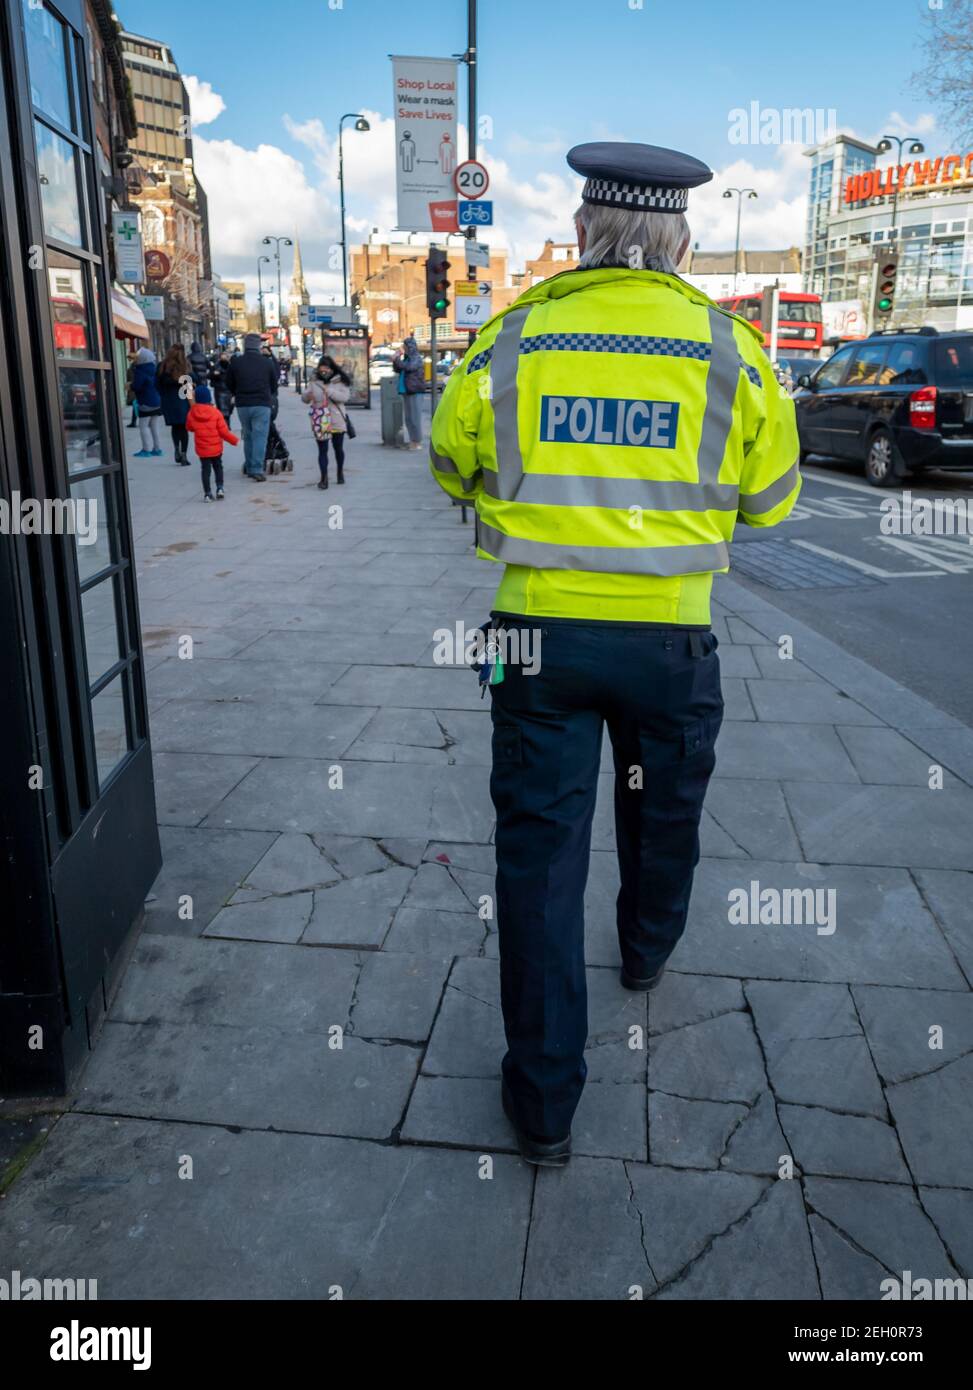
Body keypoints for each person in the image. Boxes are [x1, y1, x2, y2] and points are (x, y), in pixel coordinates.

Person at [430, 140, 801, 1167]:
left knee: (538, 856)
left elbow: (450, 462)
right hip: (670, 635)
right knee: (663, 807)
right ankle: (644, 949)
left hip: (533, 634)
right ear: (677, 238)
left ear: (586, 231)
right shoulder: (728, 347)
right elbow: (770, 500)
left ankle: (543, 1102)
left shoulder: (514, 336)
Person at [226, 333, 278, 481]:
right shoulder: (266, 362)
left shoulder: (236, 362)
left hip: (242, 404)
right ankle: (256, 468)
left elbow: (228, 382)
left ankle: (249, 466)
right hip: (261, 403)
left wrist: (237, 392)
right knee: (260, 436)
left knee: (248, 435)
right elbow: (274, 384)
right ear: (258, 346)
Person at [301, 356, 351, 489]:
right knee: (322, 450)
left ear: (331, 369)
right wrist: (307, 396)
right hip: (320, 420)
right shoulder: (314, 381)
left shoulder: (340, 380)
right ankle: (324, 479)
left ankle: (340, 471)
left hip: (336, 419)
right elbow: (305, 397)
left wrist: (329, 391)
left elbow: (345, 397)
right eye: (321, 370)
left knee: (338, 448)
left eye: (326, 370)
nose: (323, 373)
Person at [186, 383, 238, 502]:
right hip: (216, 448)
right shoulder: (216, 413)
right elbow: (224, 432)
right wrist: (234, 441)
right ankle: (219, 488)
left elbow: (189, 427)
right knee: (218, 467)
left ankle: (207, 493)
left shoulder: (192, 413)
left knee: (205, 470)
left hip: (202, 449)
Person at [156, 343, 192, 465]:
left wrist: (164, 396)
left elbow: (157, 384)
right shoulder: (184, 366)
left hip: (168, 401)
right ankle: (184, 454)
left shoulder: (162, 366)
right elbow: (192, 381)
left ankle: (176, 448)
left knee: (175, 427)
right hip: (182, 401)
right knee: (183, 428)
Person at [393, 336, 425, 449]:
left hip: (415, 391)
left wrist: (397, 359)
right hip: (407, 391)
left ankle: (417, 442)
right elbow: (398, 369)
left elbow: (408, 368)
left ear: (410, 347)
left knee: (415, 418)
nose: (404, 348)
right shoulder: (407, 358)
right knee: (409, 418)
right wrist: (396, 359)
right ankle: (413, 441)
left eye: (405, 346)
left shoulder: (416, 358)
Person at [131, 346, 163, 457]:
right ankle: (157, 449)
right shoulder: (154, 369)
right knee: (154, 426)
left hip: (145, 402)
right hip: (156, 402)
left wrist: (130, 386)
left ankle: (146, 449)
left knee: (143, 426)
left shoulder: (140, 371)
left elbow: (137, 386)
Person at [210, 351, 234, 426]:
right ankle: (225, 426)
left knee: (229, 409)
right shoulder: (216, 366)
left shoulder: (231, 366)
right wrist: (214, 374)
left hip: (229, 390)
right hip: (219, 390)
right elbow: (209, 376)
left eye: (226, 356)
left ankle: (226, 424)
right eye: (223, 356)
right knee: (222, 410)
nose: (224, 358)